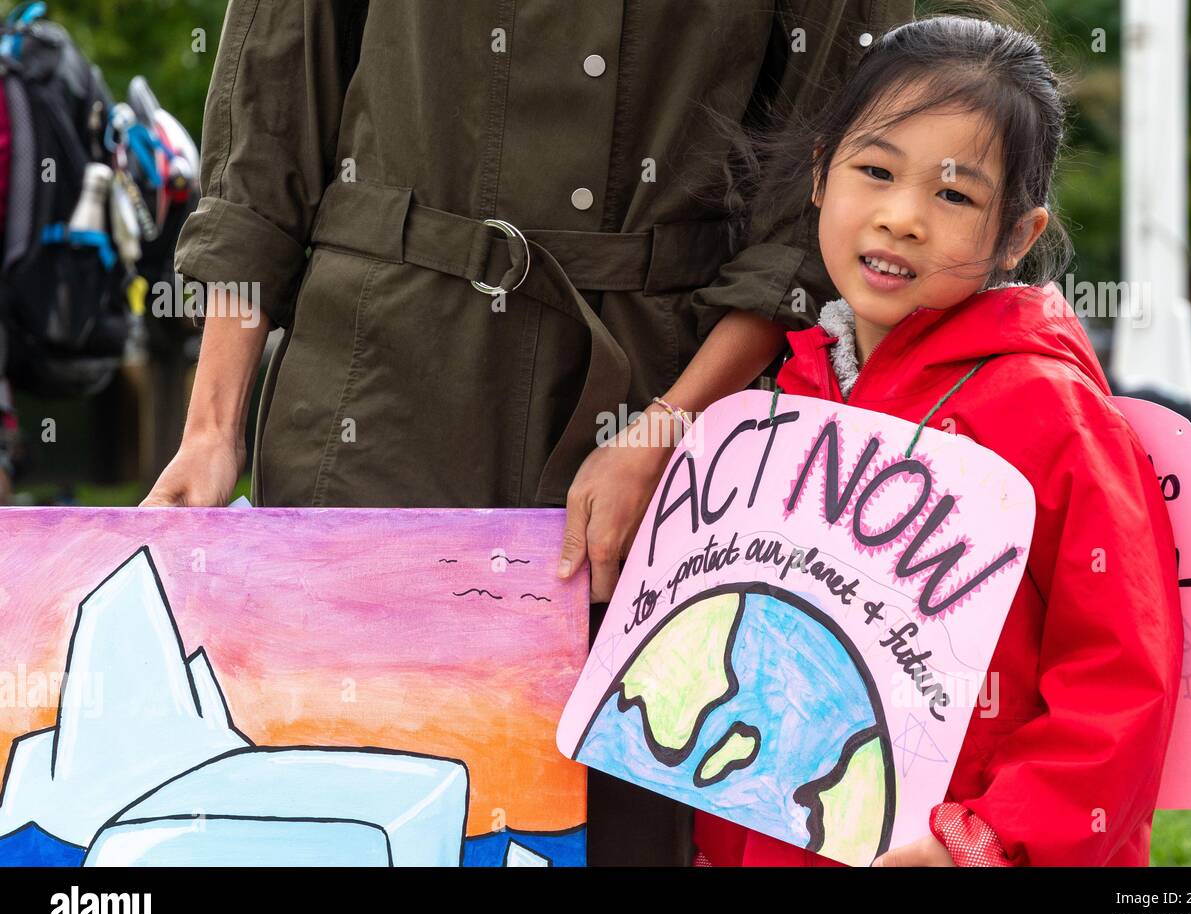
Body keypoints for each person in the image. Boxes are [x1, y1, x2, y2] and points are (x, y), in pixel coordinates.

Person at [141, 1, 917, 865]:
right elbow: (267, 127)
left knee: (621, 824)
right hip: (373, 394)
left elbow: (809, 208)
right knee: (347, 808)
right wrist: (210, 428)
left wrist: (667, 427)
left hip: (663, 414)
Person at [692, 15, 1184, 867]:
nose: (902, 217)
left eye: (954, 195)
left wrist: (982, 838)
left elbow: (1123, 680)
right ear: (820, 175)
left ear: (1016, 239)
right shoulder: (789, 394)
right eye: (875, 171)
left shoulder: (1052, 412)